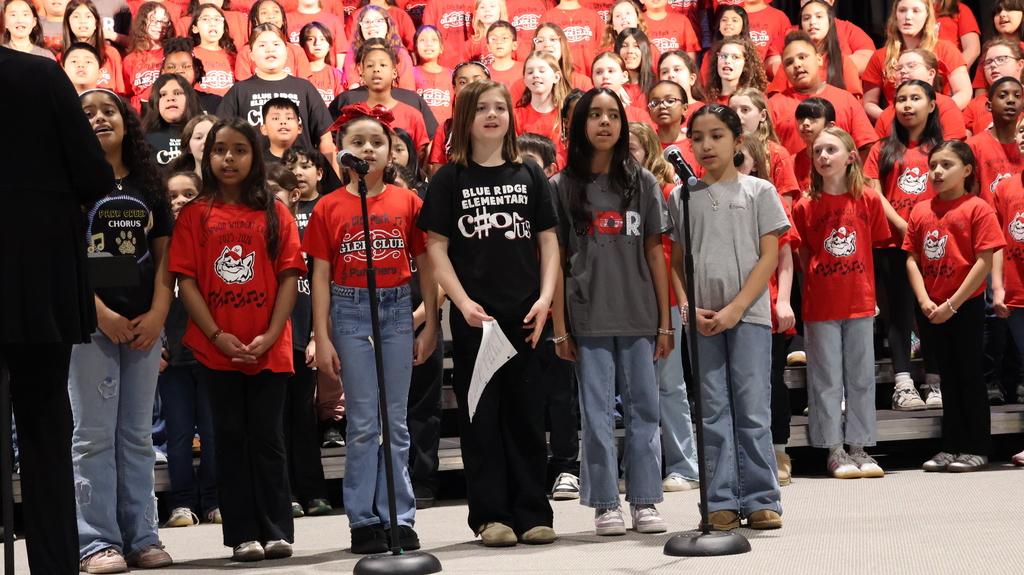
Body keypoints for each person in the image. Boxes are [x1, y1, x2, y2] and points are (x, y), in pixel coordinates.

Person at [419, 79, 559, 547]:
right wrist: (460, 303)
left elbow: (549, 242)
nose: (494, 115)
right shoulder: (447, 179)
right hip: (477, 319)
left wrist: (545, 300)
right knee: (481, 418)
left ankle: (533, 512)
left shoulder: (529, 174)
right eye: (482, 108)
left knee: (525, 415)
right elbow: (435, 249)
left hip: (526, 317)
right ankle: (490, 517)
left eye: (501, 107)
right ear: (464, 117)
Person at [168, 117, 305, 562]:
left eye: (240, 149)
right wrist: (216, 334)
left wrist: (270, 334)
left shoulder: (275, 211)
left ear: (254, 155)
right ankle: (242, 534)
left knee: (268, 437)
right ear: (207, 157)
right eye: (220, 149)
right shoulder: (194, 214)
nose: (229, 157)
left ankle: (275, 528)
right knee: (227, 437)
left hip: (269, 345)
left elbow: (289, 276)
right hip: (216, 347)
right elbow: (185, 282)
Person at [0, 44, 114, 575]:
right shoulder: (41, 74)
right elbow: (94, 175)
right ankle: (54, 565)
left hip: (34, 272)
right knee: (45, 425)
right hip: (36, 276)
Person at [305, 105, 436, 553]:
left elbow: (426, 265)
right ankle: (363, 519)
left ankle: (399, 515)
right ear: (341, 152)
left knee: (395, 423)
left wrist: (430, 321)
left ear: (390, 151)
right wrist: (321, 337)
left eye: (377, 142)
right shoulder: (328, 206)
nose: (368, 149)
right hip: (350, 310)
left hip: (398, 309)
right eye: (358, 142)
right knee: (363, 421)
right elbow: (320, 276)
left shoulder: (408, 201)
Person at [550, 88, 672, 536]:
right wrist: (561, 329)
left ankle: (644, 499)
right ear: (580, 124)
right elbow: (557, 263)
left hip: (640, 315)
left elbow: (657, 253)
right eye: (595, 115)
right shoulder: (561, 187)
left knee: (645, 411)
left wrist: (665, 321)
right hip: (588, 317)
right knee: (596, 415)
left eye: (613, 115)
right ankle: (604, 503)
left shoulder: (643, 182)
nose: (605, 123)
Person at [668, 104, 786, 531]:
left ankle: (760, 498)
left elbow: (770, 254)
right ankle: (720, 499)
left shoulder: (759, 191)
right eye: (698, 137)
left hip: (749, 316)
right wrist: (687, 307)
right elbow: (677, 262)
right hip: (701, 321)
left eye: (716, 135)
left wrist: (737, 307)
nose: (706, 145)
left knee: (752, 408)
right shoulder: (680, 196)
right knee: (712, 409)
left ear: (738, 142)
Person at [73, 88, 175, 574]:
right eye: (87, 113)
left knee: (136, 437)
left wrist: (158, 314)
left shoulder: (149, 184)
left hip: (143, 325)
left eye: (108, 110)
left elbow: (165, 260)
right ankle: (96, 543)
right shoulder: (69, 184)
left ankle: (142, 537)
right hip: (89, 326)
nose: (98, 118)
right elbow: (63, 260)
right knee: (92, 436)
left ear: (126, 121)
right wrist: (99, 313)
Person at [793, 127, 891, 479]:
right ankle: (834, 449)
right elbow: (804, 252)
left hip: (860, 301)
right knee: (826, 378)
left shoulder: (868, 199)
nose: (822, 157)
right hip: (821, 304)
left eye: (830, 150)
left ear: (851, 156)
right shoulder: (805, 204)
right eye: (817, 151)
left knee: (862, 378)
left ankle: (861, 448)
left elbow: (874, 247)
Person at [906, 140, 1004, 472]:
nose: (937, 171)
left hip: (965, 306)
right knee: (946, 377)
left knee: (969, 375)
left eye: (946, 165)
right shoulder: (920, 210)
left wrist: (952, 303)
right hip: (933, 308)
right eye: (933, 165)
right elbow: (912, 258)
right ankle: (950, 446)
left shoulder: (978, 207)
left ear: (966, 171)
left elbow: (984, 261)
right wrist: (924, 300)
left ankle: (977, 446)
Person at [626, 121, 700, 493]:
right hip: (629, 301)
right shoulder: (613, 192)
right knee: (638, 389)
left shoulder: (670, 191)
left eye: (634, 148)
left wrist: (683, 300)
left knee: (670, 385)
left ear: (650, 150)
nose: (626, 155)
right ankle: (644, 467)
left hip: (667, 300)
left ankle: (685, 467)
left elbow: (680, 253)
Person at [865, 79, 945, 411]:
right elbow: (873, 192)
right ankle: (903, 384)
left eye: (915, 98)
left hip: (935, 243)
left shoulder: (943, 149)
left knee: (933, 311)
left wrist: (926, 230)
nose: (907, 105)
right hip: (892, 242)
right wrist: (903, 225)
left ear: (931, 105)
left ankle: (935, 382)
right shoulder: (881, 149)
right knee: (899, 311)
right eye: (901, 99)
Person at [263, 164, 331, 520]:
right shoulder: (259, 232)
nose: (268, 196)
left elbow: (321, 288)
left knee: (304, 419)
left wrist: (319, 336)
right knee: (275, 422)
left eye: (275, 189)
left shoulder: (310, 232)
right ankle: (285, 493)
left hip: (305, 340)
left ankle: (314, 490)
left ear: (294, 194)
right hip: (271, 342)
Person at [160, 170, 221, 530]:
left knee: (214, 433)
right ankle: (181, 502)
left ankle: (214, 499)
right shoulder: (160, 244)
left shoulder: (213, 240)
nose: (180, 201)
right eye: (173, 196)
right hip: (173, 361)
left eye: (188, 194)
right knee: (179, 434)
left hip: (210, 354)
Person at [219, 23, 336, 163]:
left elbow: (325, 138)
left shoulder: (304, 88)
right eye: (262, 45)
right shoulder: (239, 91)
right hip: (256, 174)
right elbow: (221, 135)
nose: (270, 49)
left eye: (276, 44)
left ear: (287, 52)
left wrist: (331, 180)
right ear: (251, 55)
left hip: (300, 172)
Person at [768, 31, 877, 158]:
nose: (797, 65)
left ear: (819, 59)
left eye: (802, 57)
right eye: (789, 62)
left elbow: (866, 146)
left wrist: (855, 177)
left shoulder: (846, 100)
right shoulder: (773, 105)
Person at [861, 0, 971, 121]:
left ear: (927, 16)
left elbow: (964, 92)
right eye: (902, 10)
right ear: (895, 15)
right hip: (897, 127)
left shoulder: (945, 49)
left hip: (937, 123)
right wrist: (893, 120)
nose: (908, 17)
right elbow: (869, 103)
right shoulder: (880, 55)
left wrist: (937, 114)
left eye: (916, 11)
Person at [767, 0, 861, 98]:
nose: (812, 22)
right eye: (806, 18)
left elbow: (852, 106)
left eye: (819, 17)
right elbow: (776, 104)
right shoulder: (790, 64)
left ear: (830, 21)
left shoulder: (844, 62)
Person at [874, 49, 967, 141]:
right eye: (899, 68)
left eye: (911, 66)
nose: (903, 71)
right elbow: (877, 151)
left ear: (931, 73)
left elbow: (953, 149)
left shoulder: (945, 105)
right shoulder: (887, 114)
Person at [729, 87, 800, 202]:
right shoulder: (724, 150)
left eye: (745, 110)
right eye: (732, 111)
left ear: (762, 115)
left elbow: (785, 207)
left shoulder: (777, 154)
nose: (737, 116)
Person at [966, 76, 1024, 203]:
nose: (1011, 100)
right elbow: (971, 198)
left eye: (1017, 96)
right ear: (989, 105)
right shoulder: (973, 146)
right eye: (1003, 96)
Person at [235, 1, 313, 81]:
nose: (271, 16)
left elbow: (303, 86)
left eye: (276, 11)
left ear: (283, 19)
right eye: (264, 13)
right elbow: (244, 88)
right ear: (255, 21)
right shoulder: (245, 52)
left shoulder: (297, 51)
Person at [343, 4, 416, 90]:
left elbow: (407, 91)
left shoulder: (400, 55)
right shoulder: (353, 53)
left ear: (388, 25)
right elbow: (354, 91)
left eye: (378, 21)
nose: (372, 25)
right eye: (366, 22)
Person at [122, 1, 176, 110]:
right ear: (143, 22)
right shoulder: (130, 60)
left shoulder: (173, 53)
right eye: (153, 20)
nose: (159, 26)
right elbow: (127, 94)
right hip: (143, 112)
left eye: (164, 21)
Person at [965, 38, 1024, 136]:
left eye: (1001, 59)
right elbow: (963, 148)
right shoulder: (974, 106)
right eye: (988, 62)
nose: (993, 65)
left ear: (1020, 64)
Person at [144, 73, 204, 168]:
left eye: (177, 93)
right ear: (155, 102)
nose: (170, 98)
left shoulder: (205, 134)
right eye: (163, 95)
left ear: (189, 99)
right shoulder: (143, 139)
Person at [62, 0, 123, 93]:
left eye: (88, 16)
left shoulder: (111, 53)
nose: (82, 21)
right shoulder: (61, 56)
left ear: (96, 23)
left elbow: (120, 91)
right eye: (76, 16)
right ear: (68, 23)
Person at [515, 51, 568, 147]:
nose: (535, 75)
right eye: (530, 72)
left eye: (542, 71)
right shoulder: (516, 115)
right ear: (525, 80)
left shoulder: (565, 113)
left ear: (556, 77)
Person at [541, 0, 603, 76]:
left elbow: (604, 46)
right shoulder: (548, 16)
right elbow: (542, 52)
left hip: (591, 75)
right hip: (561, 77)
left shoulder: (593, 15)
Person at [188, 3, 238, 97]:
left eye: (217, 19)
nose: (213, 23)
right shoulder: (190, 55)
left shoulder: (233, 57)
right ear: (195, 28)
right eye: (206, 19)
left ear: (224, 29)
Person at [704, 35, 768, 106]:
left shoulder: (756, 100)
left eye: (735, 57)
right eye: (723, 56)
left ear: (745, 66)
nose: (727, 61)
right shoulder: (706, 100)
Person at [413, 24, 455, 124]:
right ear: (415, 47)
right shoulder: (411, 73)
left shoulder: (452, 75)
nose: (428, 44)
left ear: (441, 48)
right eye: (422, 40)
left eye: (434, 40)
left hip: (445, 132)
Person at [792, 97, 836, 191]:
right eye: (801, 118)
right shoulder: (791, 162)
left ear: (830, 126)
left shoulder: (839, 160)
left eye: (813, 118)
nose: (805, 123)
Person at [301, 22, 346, 105]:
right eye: (311, 39)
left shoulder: (336, 75)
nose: (317, 43)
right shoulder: (298, 74)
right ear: (303, 44)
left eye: (322, 39)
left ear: (329, 45)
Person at [657, 50, 704, 126]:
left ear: (692, 79)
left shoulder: (704, 111)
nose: (671, 75)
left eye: (677, 69)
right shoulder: (656, 112)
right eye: (665, 72)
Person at [934, 0, 981, 68]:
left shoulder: (959, 9)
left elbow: (973, 48)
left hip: (950, 73)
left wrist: (955, 72)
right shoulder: (918, 12)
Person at [615, 28, 654, 105]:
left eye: (636, 46)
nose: (630, 51)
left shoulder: (656, 84)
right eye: (624, 46)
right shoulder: (612, 84)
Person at [486, 20, 520, 89]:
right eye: (493, 39)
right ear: (488, 47)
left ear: (514, 45)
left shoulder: (525, 70)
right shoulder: (484, 72)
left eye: (504, 38)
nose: (498, 42)